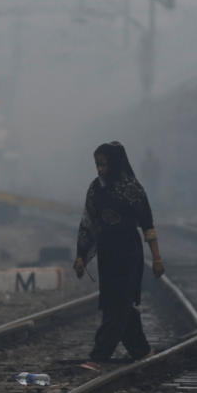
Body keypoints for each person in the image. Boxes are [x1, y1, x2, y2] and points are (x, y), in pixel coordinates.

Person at [73, 142, 164, 371]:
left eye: (103, 164)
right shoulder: (96, 189)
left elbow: (148, 226)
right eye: (97, 165)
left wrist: (157, 259)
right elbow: (88, 224)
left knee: (119, 305)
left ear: (115, 163)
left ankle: (99, 356)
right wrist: (81, 256)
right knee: (116, 303)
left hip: (129, 253)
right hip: (107, 253)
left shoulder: (133, 189)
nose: (100, 169)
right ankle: (142, 351)